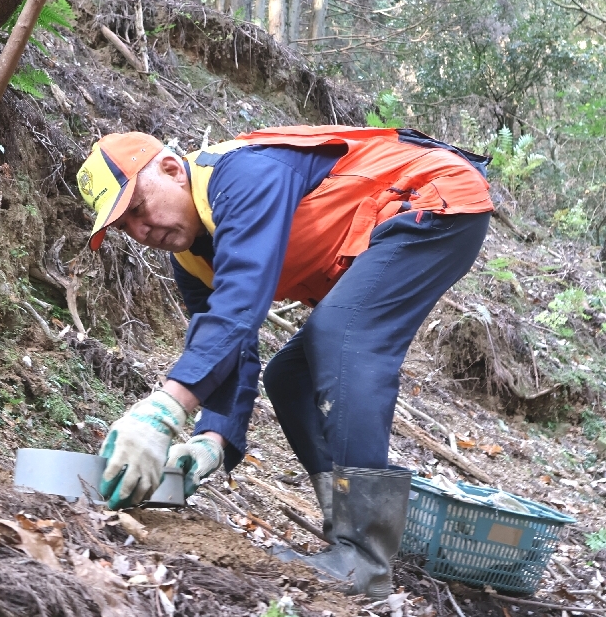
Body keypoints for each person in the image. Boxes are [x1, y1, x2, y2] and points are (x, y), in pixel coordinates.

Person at [75, 125, 493, 599]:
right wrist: (212, 439)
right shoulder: (191, 256)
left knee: (342, 338)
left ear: (172, 169)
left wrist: (165, 409)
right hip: (385, 227)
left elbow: (240, 304)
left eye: (137, 209)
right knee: (289, 377)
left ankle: (364, 557)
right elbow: (229, 340)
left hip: (431, 198)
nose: (141, 231)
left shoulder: (243, 176)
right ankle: (347, 531)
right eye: (125, 226)